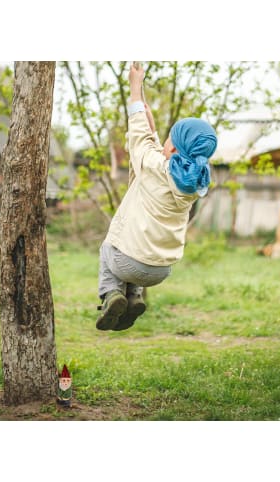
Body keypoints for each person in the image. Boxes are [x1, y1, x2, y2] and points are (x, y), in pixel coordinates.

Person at [96, 64, 217, 331]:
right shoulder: (194, 184)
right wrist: (152, 127)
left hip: (128, 264)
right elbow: (156, 152)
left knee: (109, 247)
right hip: (161, 270)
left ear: (172, 146)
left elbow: (140, 139)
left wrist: (136, 89)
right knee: (141, 246)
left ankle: (111, 294)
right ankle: (134, 296)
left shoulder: (153, 166)